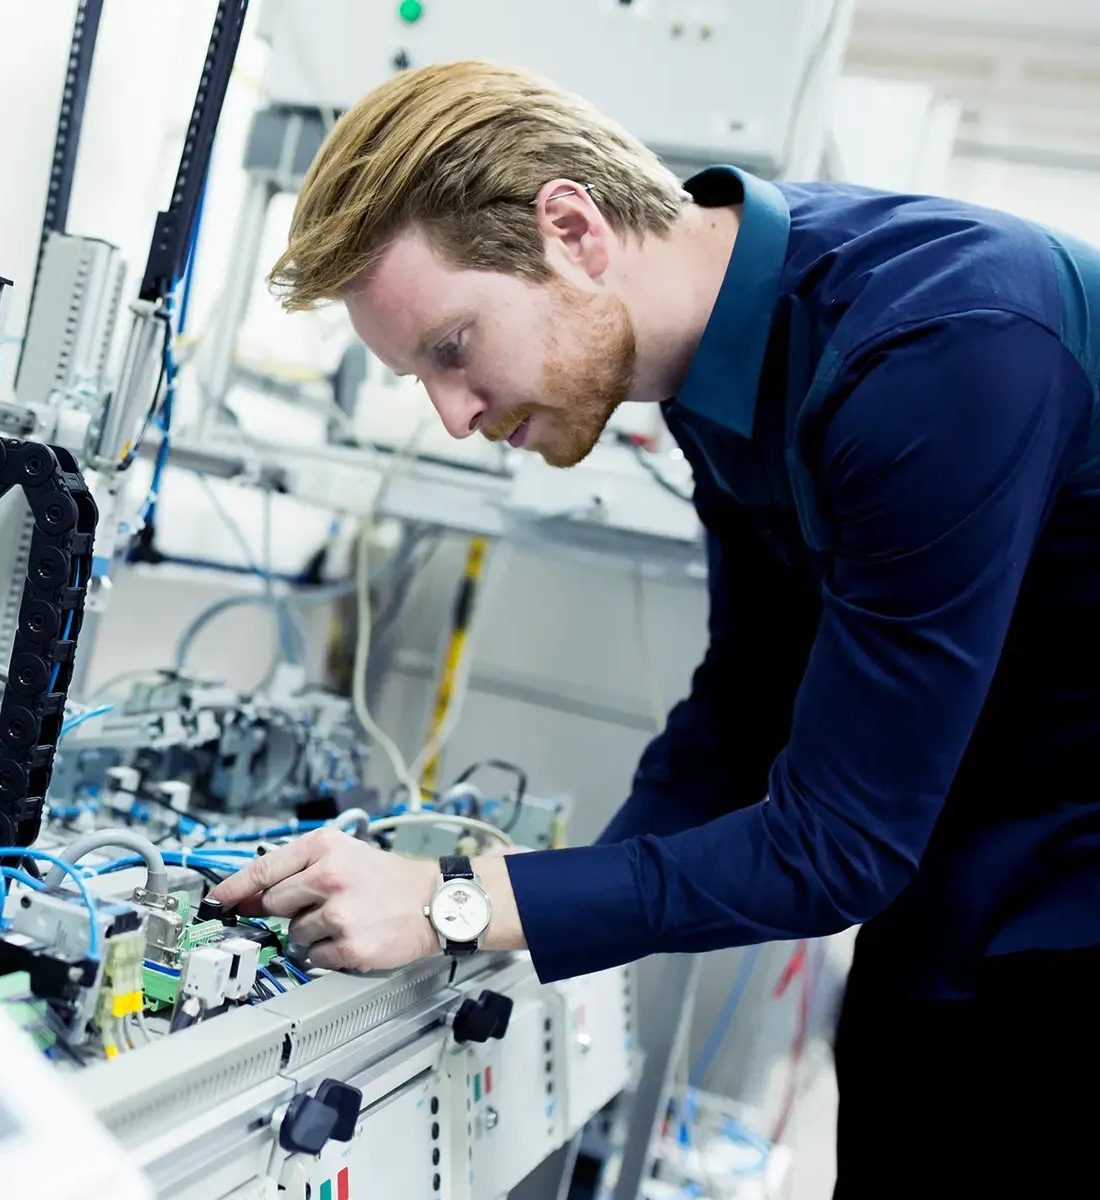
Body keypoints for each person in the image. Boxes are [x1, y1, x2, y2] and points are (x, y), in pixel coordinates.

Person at [210, 61, 1100, 1196]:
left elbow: (839, 848)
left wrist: (461, 905)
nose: (455, 414)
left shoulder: (938, 353)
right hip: (971, 878)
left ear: (573, 228)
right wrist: (531, 911)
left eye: (451, 347)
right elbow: (743, 704)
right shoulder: (715, 366)